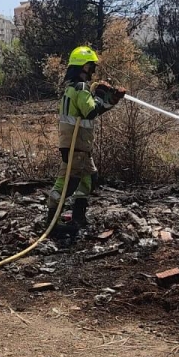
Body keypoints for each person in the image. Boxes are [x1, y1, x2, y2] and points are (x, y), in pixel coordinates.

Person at [46, 46, 126, 240]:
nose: (93, 71)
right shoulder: (80, 88)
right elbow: (90, 111)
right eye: (91, 66)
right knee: (68, 183)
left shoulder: (74, 88)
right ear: (84, 66)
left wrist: (111, 99)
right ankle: (52, 224)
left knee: (89, 179)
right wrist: (99, 95)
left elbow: (93, 111)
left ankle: (78, 217)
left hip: (79, 144)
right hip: (76, 144)